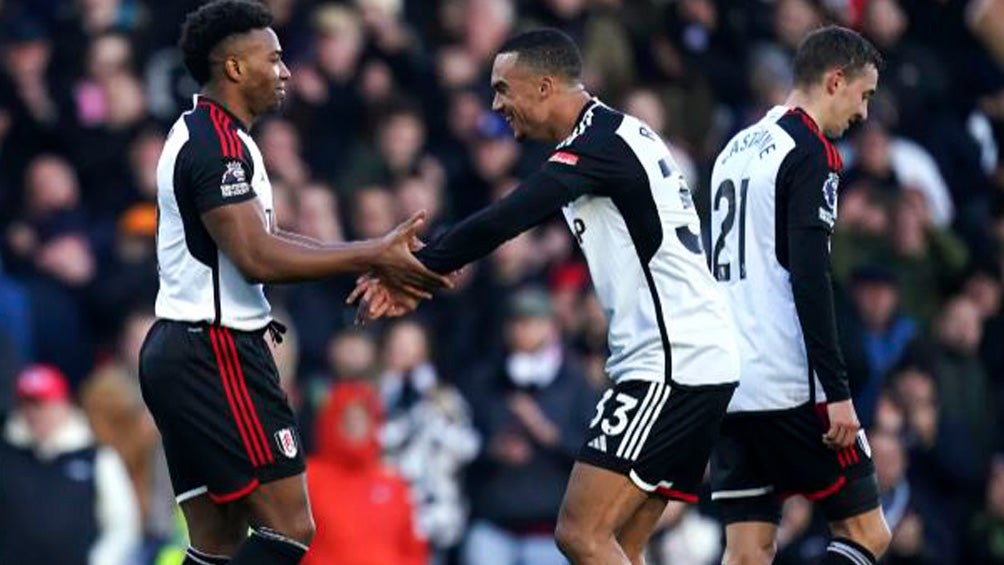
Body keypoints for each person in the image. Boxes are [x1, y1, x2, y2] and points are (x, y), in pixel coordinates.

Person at [353, 28, 740, 565]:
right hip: (694, 357)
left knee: (579, 535)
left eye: (503, 89)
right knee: (619, 545)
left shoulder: (598, 143)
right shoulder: (619, 134)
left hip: (671, 361)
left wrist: (414, 269)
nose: (496, 104)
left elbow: (508, 217)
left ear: (544, 86)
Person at [137, 2, 450, 565]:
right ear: (234, 67)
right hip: (216, 350)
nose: (286, 71)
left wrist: (369, 258)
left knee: (218, 539)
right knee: (291, 527)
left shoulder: (206, 133)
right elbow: (256, 256)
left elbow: (268, 239)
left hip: (181, 348)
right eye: (274, 58)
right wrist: (372, 251)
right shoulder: (218, 145)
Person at [706, 26, 891, 565]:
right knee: (867, 533)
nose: (864, 114)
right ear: (836, 81)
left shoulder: (733, 149)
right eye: (865, 95)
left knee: (746, 554)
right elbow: (808, 277)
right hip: (788, 382)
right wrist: (836, 391)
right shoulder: (811, 150)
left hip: (730, 386)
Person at [0, 364, 141, 565]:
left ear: (62, 403)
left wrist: (101, 560)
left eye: (42, 404)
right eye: (28, 404)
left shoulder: (96, 456)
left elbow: (123, 522)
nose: (36, 413)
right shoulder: (6, 454)